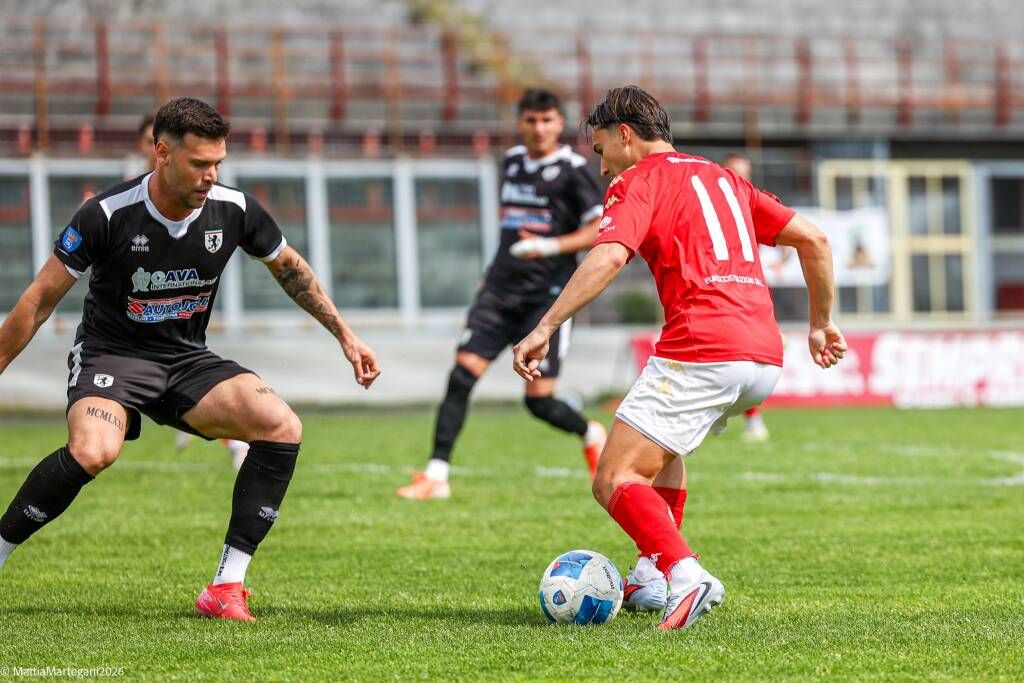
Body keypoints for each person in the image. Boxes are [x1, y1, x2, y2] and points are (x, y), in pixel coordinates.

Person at [0, 97, 381, 622]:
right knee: (94, 450)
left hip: (185, 360)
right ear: (162, 153)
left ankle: (226, 585)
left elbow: (290, 268)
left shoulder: (235, 210)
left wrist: (346, 336)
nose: (211, 175)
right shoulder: (106, 215)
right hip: (113, 357)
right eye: (200, 163)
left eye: (218, 163)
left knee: (281, 425)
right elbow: (38, 301)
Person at [513, 86, 845, 630]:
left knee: (613, 476)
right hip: (763, 359)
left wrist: (546, 325)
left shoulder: (637, 180)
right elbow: (814, 240)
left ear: (625, 134)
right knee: (662, 448)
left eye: (600, 150)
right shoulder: (725, 178)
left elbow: (609, 256)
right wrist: (821, 322)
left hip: (703, 348)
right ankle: (651, 575)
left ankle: (686, 575)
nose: (602, 168)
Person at [396, 89, 607, 500]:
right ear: (520, 123)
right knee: (461, 376)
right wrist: (491, 276)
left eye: (547, 120)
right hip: (499, 292)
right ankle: (436, 476)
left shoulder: (574, 170)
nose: (539, 128)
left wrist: (548, 246)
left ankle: (590, 432)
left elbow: (599, 229)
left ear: (560, 124)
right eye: (531, 120)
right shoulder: (511, 162)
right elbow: (511, 227)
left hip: (546, 299)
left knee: (538, 402)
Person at [138, 110, 252, 467]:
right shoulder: (127, 198)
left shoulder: (208, 199)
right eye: (146, 142)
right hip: (132, 328)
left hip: (176, 322)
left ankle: (231, 439)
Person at [722, 152, 770, 442]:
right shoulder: (714, 208)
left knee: (748, 360)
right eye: (735, 172)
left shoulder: (755, 203)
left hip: (751, 294)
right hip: (721, 294)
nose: (742, 178)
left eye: (746, 172)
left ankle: (753, 421)